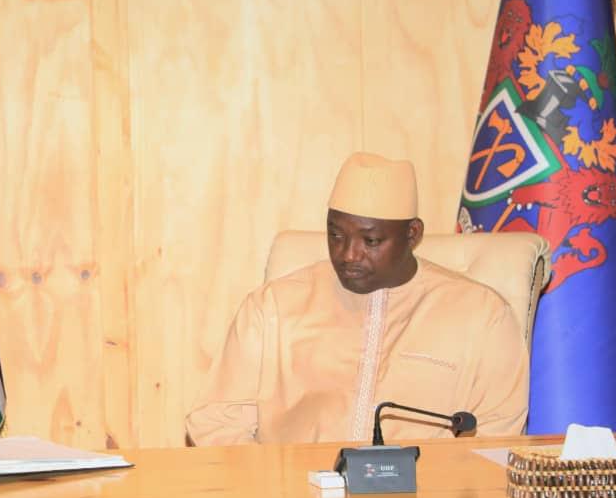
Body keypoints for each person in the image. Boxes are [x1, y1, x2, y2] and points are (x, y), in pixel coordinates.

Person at [186, 152, 529, 445]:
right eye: (336, 235)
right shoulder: (274, 307)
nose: (348, 254)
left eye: (371, 241)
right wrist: (277, 486)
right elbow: (216, 422)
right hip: (294, 494)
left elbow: (496, 433)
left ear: (412, 234)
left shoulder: (481, 314)